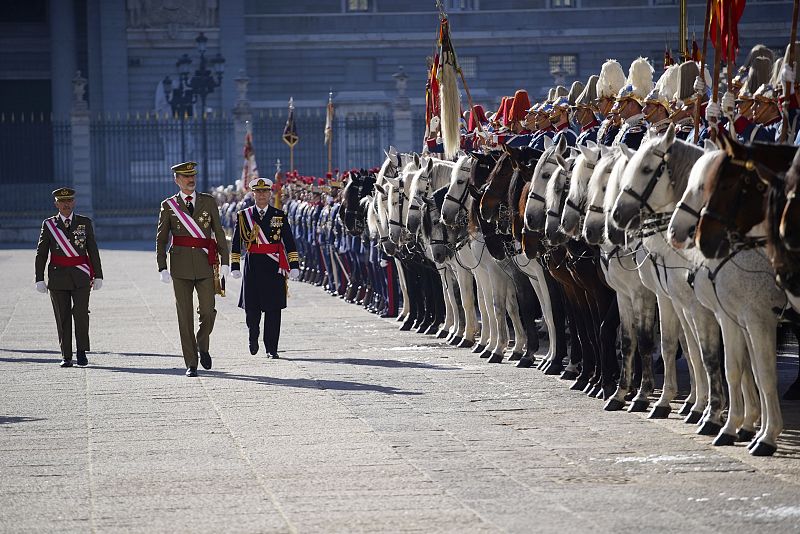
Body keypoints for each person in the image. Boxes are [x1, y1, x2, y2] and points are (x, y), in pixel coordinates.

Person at [156, 161, 230, 377]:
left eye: (193, 176)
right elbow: (161, 239)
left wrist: (225, 261)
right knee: (184, 315)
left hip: (205, 263)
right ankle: (191, 362)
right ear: (177, 180)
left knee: (208, 311)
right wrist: (162, 266)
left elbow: (218, 231)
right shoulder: (168, 206)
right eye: (186, 177)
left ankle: (202, 344)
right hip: (179, 267)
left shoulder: (208, 202)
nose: (191, 180)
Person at [231, 177, 301, 358]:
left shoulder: (279, 215)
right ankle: (253, 334)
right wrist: (235, 265)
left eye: (265, 192)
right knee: (252, 309)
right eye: (258, 192)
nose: (262, 195)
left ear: (270, 194)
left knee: (273, 309)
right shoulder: (244, 215)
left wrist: (294, 265)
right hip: (253, 264)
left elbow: (289, 242)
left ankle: (272, 348)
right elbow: (236, 243)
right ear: (253, 193)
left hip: (273, 266)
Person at [35, 187, 103, 367]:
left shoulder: (84, 222)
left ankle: (81, 352)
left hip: (81, 275)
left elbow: (93, 250)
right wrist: (39, 278)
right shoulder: (49, 225)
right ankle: (66, 355)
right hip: (57, 277)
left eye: (69, 201)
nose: (66, 204)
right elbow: (41, 253)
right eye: (62, 201)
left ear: (74, 202)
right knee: (62, 316)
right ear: (55, 203)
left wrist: (98, 275)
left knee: (81, 314)